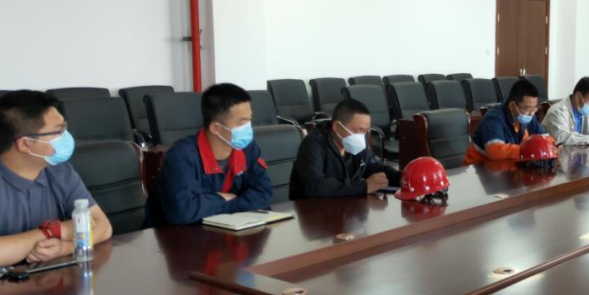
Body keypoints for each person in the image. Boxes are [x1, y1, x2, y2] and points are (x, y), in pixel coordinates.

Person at [0, 90, 113, 272]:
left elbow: (103, 226)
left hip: (52, 278)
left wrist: (66, 247)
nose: (66, 136)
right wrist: (53, 232)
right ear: (25, 144)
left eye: (64, 128)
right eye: (58, 131)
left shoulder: (61, 172)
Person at [146, 83, 273, 226]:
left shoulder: (247, 148)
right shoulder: (181, 156)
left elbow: (264, 194)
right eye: (241, 123)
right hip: (175, 236)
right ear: (216, 128)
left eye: (249, 120)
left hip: (226, 229)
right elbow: (183, 212)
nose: (248, 128)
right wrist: (225, 199)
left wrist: (223, 202)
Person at [290, 98, 401, 197]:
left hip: (347, 208)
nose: (362, 136)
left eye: (366, 130)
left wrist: (403, 178)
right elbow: (314, 186)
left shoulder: (357, 145)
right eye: (358, 130)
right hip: (312, 210)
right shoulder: (313, 144)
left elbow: (376, 169)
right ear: (337, 127)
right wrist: (364, 186)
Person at [464, 79, 551, 164]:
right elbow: (495, 151)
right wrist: (529, 149)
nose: (531, 113)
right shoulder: (494, 118)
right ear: (512, 105)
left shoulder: (528, 115)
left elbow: (546, 139)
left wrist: (545, 146)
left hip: (507, 165)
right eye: (527, 109)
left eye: (534, 109)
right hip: (479, 166)